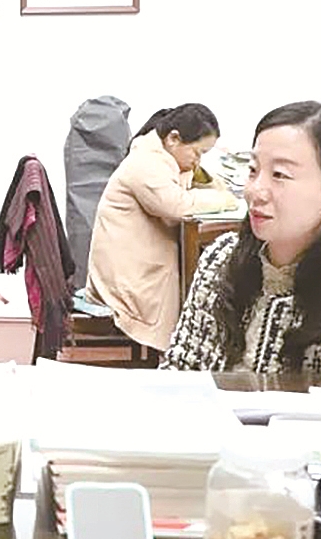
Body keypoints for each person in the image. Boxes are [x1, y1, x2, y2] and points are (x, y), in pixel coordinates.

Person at [161, 101, 321, 379]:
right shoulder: (221, 259)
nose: (255, 191)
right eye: (253, 170)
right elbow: (178, 373)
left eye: (279, 175)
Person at [86, 104, 238, 353]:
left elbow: (191, 189)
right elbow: (176, 205)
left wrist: (203, 176)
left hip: (136, 265)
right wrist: (225, 200)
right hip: (128, 276)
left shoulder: (164, 157)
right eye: (197, 152)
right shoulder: (146, 162)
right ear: (174, 138)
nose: (198, 160)